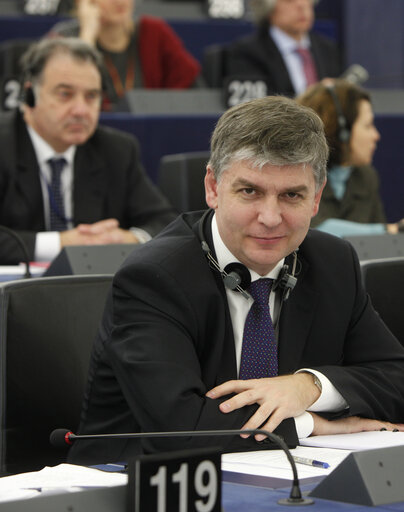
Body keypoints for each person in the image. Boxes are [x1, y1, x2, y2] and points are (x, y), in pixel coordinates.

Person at [68, 95, 404, 466]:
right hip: (136, 484)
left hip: (285, 479)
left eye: (292, 195)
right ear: (213, 187)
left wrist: (307, 386)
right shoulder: (155, 277)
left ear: (316, 199)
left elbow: (395, 378)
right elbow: (179, 429)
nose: (271, 217)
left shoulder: (332, 262)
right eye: (250, 192)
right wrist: (309, 424)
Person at [0, 37, 177, 265]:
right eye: (65, 94)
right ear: (30, 96)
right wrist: (61, 244)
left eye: (91, 96)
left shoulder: (116, 150)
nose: (81, 110)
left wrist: (128, 238)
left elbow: (165, 221)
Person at [296, 79, 404, 237]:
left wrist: (387, 232)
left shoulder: (366, 176)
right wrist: (390, 230)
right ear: (342, 132)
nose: (376, 135)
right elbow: (315, 230)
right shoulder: (300, 172)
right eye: (368, 126)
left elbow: (382, 244)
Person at [48, 0, 201, 109]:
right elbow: (72, 99)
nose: (119, 1)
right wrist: (87, 37)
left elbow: (192, 86)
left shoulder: (154, 32)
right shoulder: (64, 39)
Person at [223, 0, 341, 96]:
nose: (301, 4)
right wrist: (313, 98)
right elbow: (258, 107)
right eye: (289, 0)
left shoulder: (327, 48)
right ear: (268, 9)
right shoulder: (247, 52)